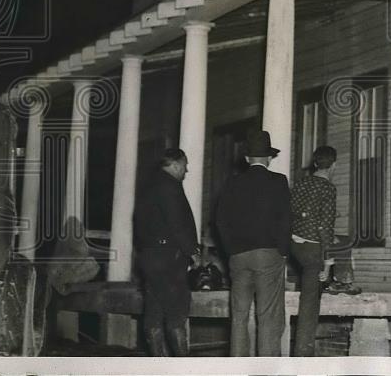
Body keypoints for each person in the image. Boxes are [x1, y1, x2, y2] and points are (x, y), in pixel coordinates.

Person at [214, 130, 291, 356]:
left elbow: (220, 221)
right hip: (268, 254)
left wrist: (231, 250)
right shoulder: (278, 181)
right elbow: (286, 219)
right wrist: (283, 251)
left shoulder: (232, 183)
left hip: (238, 256)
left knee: (239, 317)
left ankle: (238, 368)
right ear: (269, 158)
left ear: (247, 158)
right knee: (268, 317)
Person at [133, 148, 198, 356]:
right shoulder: (170, 187)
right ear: (176, 164)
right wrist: (192, 251)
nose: (186, 171)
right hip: (169, 257)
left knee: (154, 311)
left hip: (149, 256)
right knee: (176, 312)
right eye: (185, 165)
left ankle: (158, 364)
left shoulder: (148, 187)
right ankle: (181, 366)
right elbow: (177, 224)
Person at [288, 145, 338, 356]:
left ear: (315, 163)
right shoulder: (328, 188)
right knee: (309, 304)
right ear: (333, 165)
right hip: (312, 249)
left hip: (293, 244)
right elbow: (325, 227)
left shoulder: (300, 183)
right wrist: (328, 263)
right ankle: (303, 355)